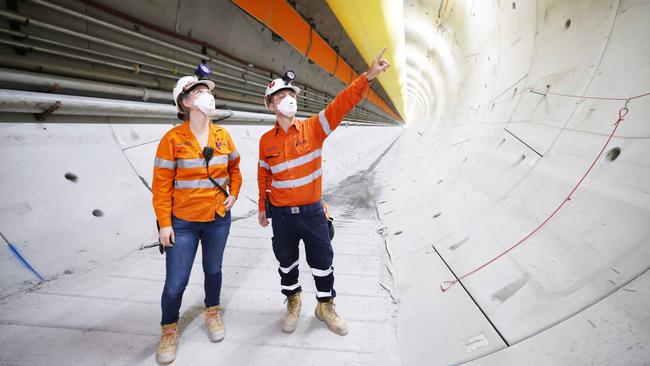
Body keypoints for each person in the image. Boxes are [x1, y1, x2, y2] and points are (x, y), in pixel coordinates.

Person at [257, 49, 391, 336]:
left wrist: (367, 77)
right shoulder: (266, 141)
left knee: (322, 261)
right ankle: (293, 302)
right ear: (270, 105)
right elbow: (263, 175)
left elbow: (341, 104)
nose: (287, 99)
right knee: (286, 261)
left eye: (290, 94)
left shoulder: (313, 128)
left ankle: (325, 305)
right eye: (280, 96)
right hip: (281, 216)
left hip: (312, 212)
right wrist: (261, 206)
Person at [152, 74, 241, 364]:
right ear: (186, 102)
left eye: (207, 90)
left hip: (217, 218)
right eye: (199, 91)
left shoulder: (223, 136)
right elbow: (161, 186)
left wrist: (235, 193)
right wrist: (165, 223)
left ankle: (212, 312)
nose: (207, 95)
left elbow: (236, 169)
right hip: (184, 223)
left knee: (213, 270)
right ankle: (168, 330)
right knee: (176, 282)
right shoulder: (172, 139)